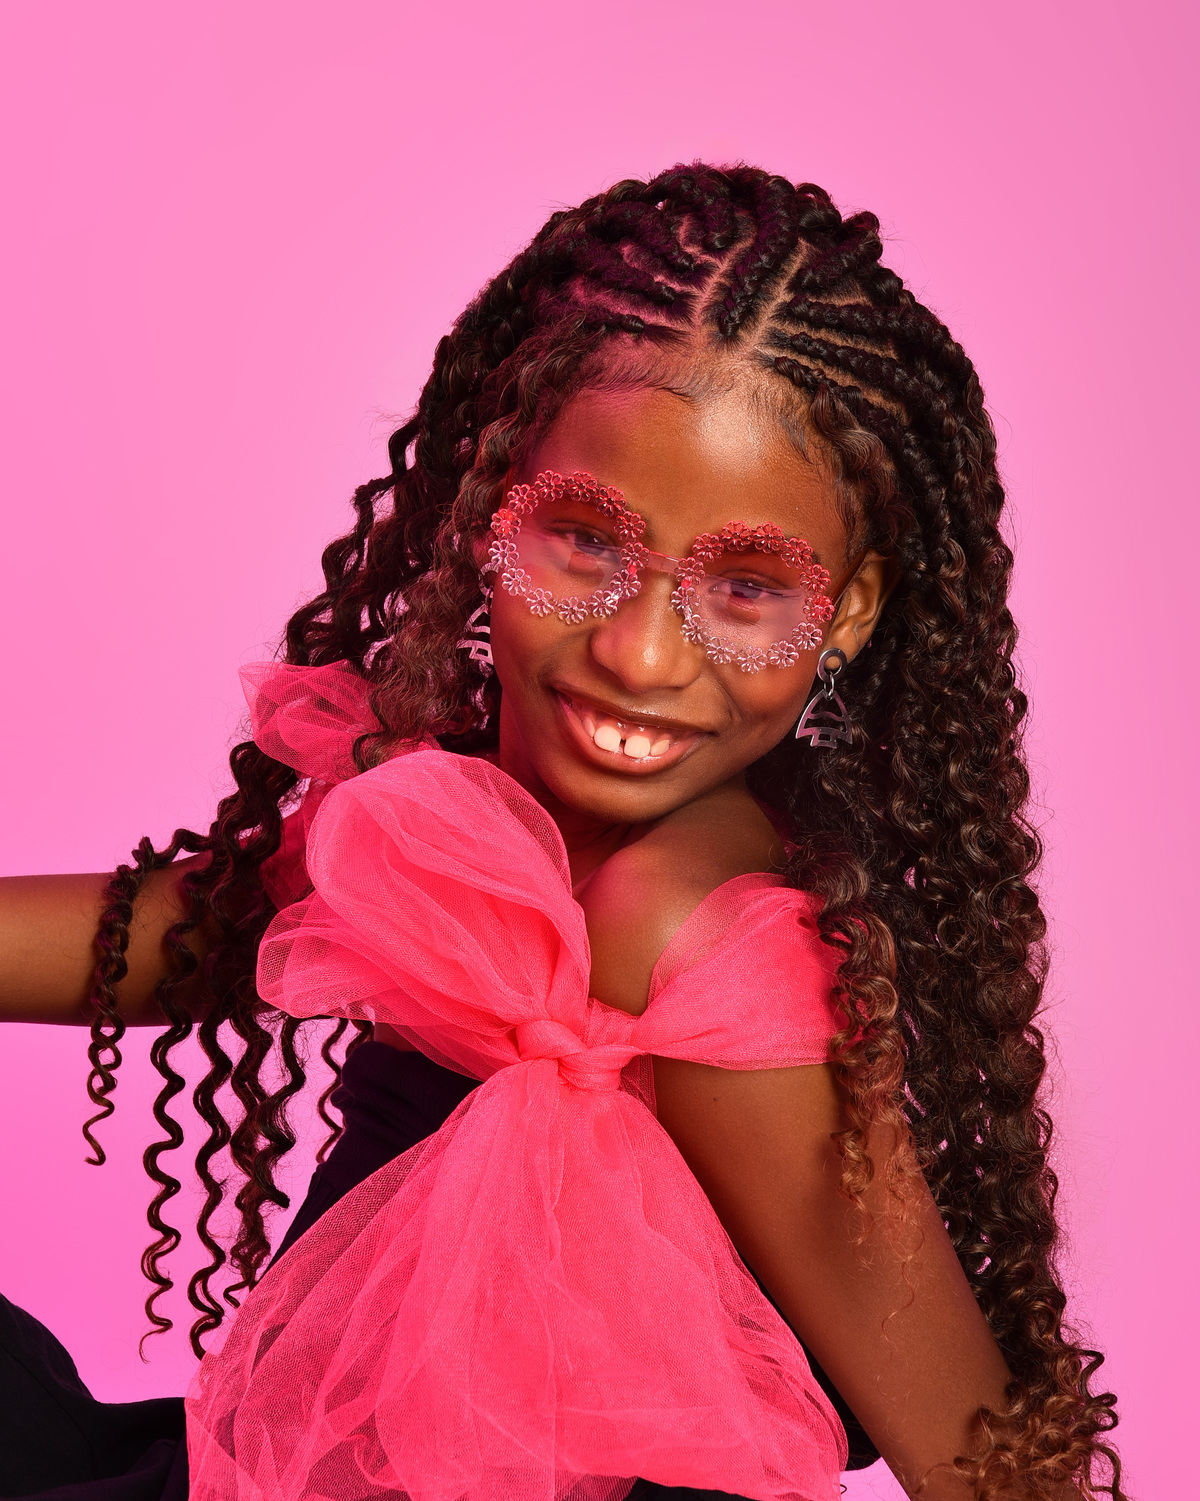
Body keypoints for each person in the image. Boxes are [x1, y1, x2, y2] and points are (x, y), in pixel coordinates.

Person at [0, 163, 1125, 1501]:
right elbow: (179, 937)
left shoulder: (700, 945)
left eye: (748, 584)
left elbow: (994, 1472)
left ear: (854, 610)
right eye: (585, 542)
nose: (641, 656)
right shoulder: (454, 820)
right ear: (493, 509)